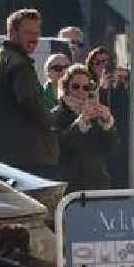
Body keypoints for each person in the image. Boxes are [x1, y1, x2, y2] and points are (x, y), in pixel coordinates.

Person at [0, 8, 59, 179]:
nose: (34, 38)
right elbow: (31, 103)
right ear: (12, 32)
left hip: (0, 157)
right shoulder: (19, 65)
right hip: (27, 160)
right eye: (28, 32)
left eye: (37, 33)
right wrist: (55, 120)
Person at [51, 64, 116, 193]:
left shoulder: (94, 112)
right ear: (66, 88)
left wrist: (107, 124)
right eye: (75, 86)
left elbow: (111, 148)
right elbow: (59, 148)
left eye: (86, 88)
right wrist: (80, 123)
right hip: (70, 188)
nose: (81, 91)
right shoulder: (56, 114)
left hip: (97, 185)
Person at [86, 46, 130, 188]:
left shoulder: (117, 85)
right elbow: (96, 111)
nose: (103, 66)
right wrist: (103, 88)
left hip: (119, 141)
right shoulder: (86, 84)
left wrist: (121, 85)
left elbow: (124, 113)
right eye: (98, 62)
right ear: (91, 65)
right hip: (97, 143)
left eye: (106, 62)